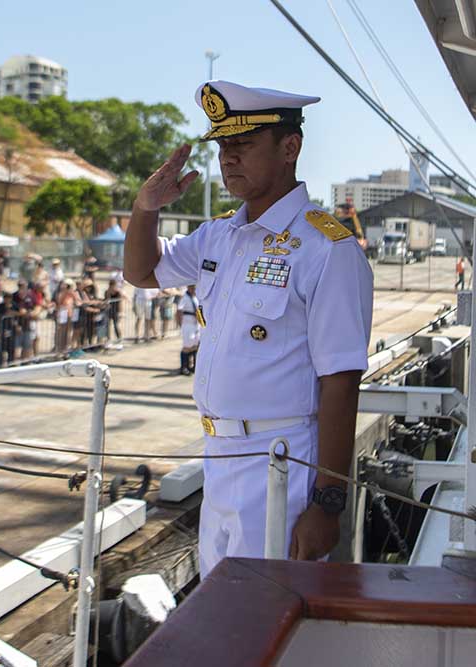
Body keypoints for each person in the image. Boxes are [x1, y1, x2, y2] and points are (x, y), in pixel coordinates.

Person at [123, 80, 373, 576]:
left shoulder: (327, 248)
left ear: (290, 148)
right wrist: (145, 207)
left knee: (269, 612)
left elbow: (340, 382)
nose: (228, 158)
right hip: (218, 454)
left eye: (243, 144)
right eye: (222, 146)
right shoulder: (220, 234)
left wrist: (328, 501)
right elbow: (143, 272)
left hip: (280, 461)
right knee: (224, 606)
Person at [176, 285, 201, 375]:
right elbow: (179, 311)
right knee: (187, 346)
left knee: (195, 345)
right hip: (188, 324)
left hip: (196, 324)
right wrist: (180, 324)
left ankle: (193, 366)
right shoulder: (185, 297)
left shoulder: (196, 297)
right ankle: (184, 367)